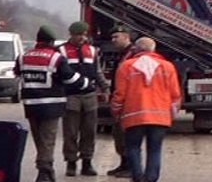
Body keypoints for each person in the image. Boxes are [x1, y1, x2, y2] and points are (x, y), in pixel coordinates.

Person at [14, 26, 89, 182]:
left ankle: (47, 170)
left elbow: (17, 73)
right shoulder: (55, 58)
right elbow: (70, 78)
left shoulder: (23, 57)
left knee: (39, 140)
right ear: (51, 41)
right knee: (48, 139)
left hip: (31, 106)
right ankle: (44, 172)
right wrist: (87, 84)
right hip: (51, 106)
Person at [110, 37, 182, 182]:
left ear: (136, 49)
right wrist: (171, 115)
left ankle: (137, 177)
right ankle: (151, 179)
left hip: (133, 117)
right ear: (153, 49)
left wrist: (116, 112)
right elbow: (175, 95)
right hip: (160, 118)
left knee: (133, 148)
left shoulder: (126, 66)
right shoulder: (167, 67)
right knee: (155, 150)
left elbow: (119, 95)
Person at [59, 21, 110, 177]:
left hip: (89, 96)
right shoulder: (62, 51)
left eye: (84, 34)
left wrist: (105, 87)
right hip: (70, 95)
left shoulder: (92, 51)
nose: (82, 37)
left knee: (89, 131)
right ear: (72, 34)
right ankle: (71, 162)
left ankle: (87, 162)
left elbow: (97, 71)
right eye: (78, 34)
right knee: (71, 132)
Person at [105, 24, 136, 178]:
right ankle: (124, 164)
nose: (113, 40)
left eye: (116, 37)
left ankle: (131, 166)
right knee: (119, 135)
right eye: (112, 37)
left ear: (126, 37)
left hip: (129, 102)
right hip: (122, 100)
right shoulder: (123, 54)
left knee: (127, 136)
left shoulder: (132, 55)